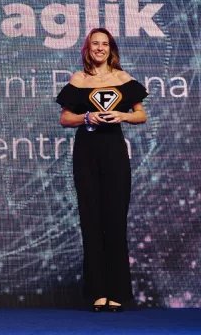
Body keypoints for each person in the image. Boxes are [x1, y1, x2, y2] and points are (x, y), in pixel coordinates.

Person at [56, 28, 148, 312]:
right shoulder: (78, 79)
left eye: (104, 44)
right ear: (87, 48)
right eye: (95, 43)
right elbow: (64, 119)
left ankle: (117, 292)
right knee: (91, 221)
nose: (100, 48)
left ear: (111, 49)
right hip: (86, 154)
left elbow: (141, 115)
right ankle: (98, 293)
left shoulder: (123, 79)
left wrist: (121, 115)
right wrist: (87, 116)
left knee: (115, 221)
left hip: (114, 154)